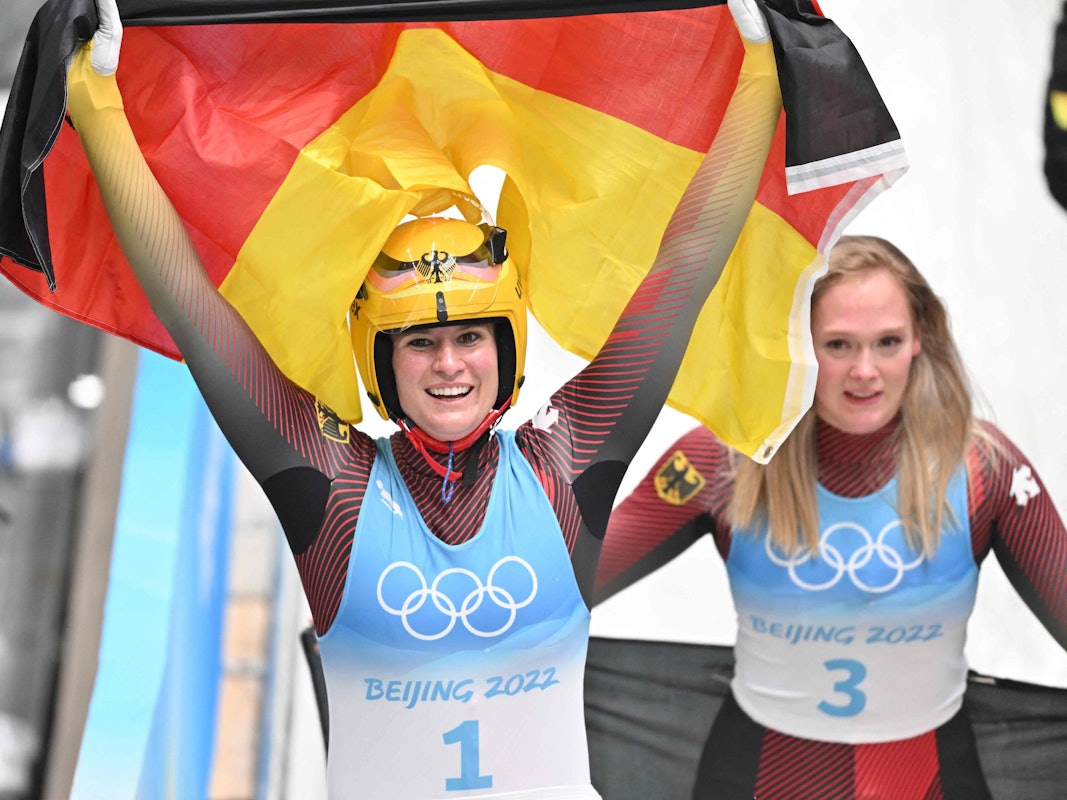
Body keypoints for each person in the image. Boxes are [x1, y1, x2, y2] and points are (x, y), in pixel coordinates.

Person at [64, 0, 783, 796]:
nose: (448, 364)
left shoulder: (566, 464)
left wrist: (760, 77)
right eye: (419, 341)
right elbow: (193, 309)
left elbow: (680, 272)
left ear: (505, 350)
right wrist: (96, 105)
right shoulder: (330, 486)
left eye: (470, 337)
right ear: (383, 360)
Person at [595, 234, 1067, 799]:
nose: (865, 372)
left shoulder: (983, 468)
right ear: (797, 345)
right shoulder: (723, 460)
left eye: (887, 342)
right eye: (838, 345)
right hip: (756, 777)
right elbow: (549, 595)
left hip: (932, 777)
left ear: (922, 339)